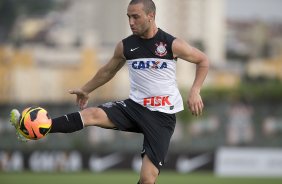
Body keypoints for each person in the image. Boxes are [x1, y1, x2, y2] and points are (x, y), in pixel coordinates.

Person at [10, 0, 209, 183]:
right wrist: (85, 89)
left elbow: (203, 60)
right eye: (128, 17)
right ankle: (36, 128)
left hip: (162, 116)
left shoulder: (170, 44)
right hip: (134, 107)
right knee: (92, 114)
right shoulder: (126, 46)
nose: (131, 22)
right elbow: (107, 70)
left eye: (136, 17)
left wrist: (195, 90)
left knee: (148, 179)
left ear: (151, 16)